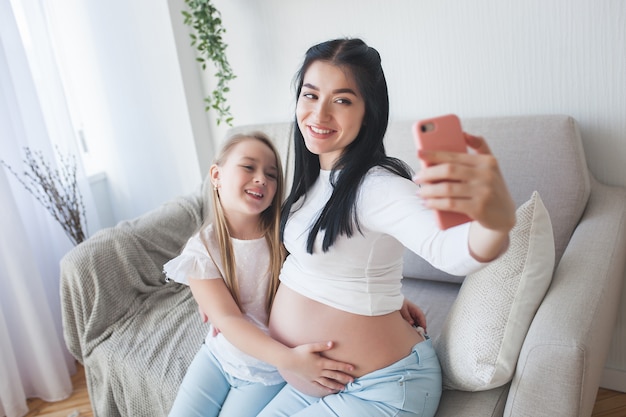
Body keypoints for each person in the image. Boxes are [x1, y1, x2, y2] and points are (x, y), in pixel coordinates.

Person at [257, 38, 516, 417]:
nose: (319, 114)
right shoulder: (314, 176)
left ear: (369, 112)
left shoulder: (378, 186)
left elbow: (450, 250)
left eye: (342, 100)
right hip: (317, 383)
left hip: (381, 389)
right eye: (310, 95)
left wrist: (494, 219)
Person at [163, 132, 357, 417]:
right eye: (248, 167)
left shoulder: (286, 235)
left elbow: (336, 270)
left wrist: (391, 300)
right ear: (216, 175)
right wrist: (291, 359)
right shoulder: (202, 249)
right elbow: (228, 319)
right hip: (217, 357)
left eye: (271, 174)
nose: (261, 179)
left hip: (265, 372)